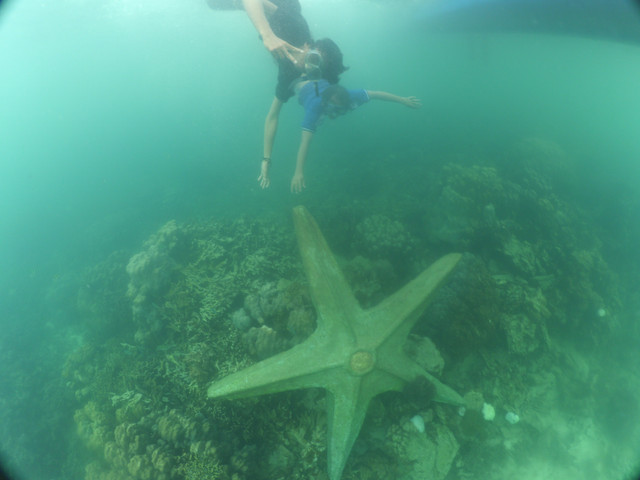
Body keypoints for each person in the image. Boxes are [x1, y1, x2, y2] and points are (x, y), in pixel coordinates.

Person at [259, 74, 422, 193]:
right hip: (298, 86)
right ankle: (299, 76)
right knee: (298, 84)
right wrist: (298, 171)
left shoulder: (349, 96)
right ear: (326, 103)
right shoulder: (314, 109)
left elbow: (376, 94)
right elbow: (305, 143)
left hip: (321, 81)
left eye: (342, 105)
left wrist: (403, 100)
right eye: (335, 105)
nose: (340, 107)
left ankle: (308, 73)